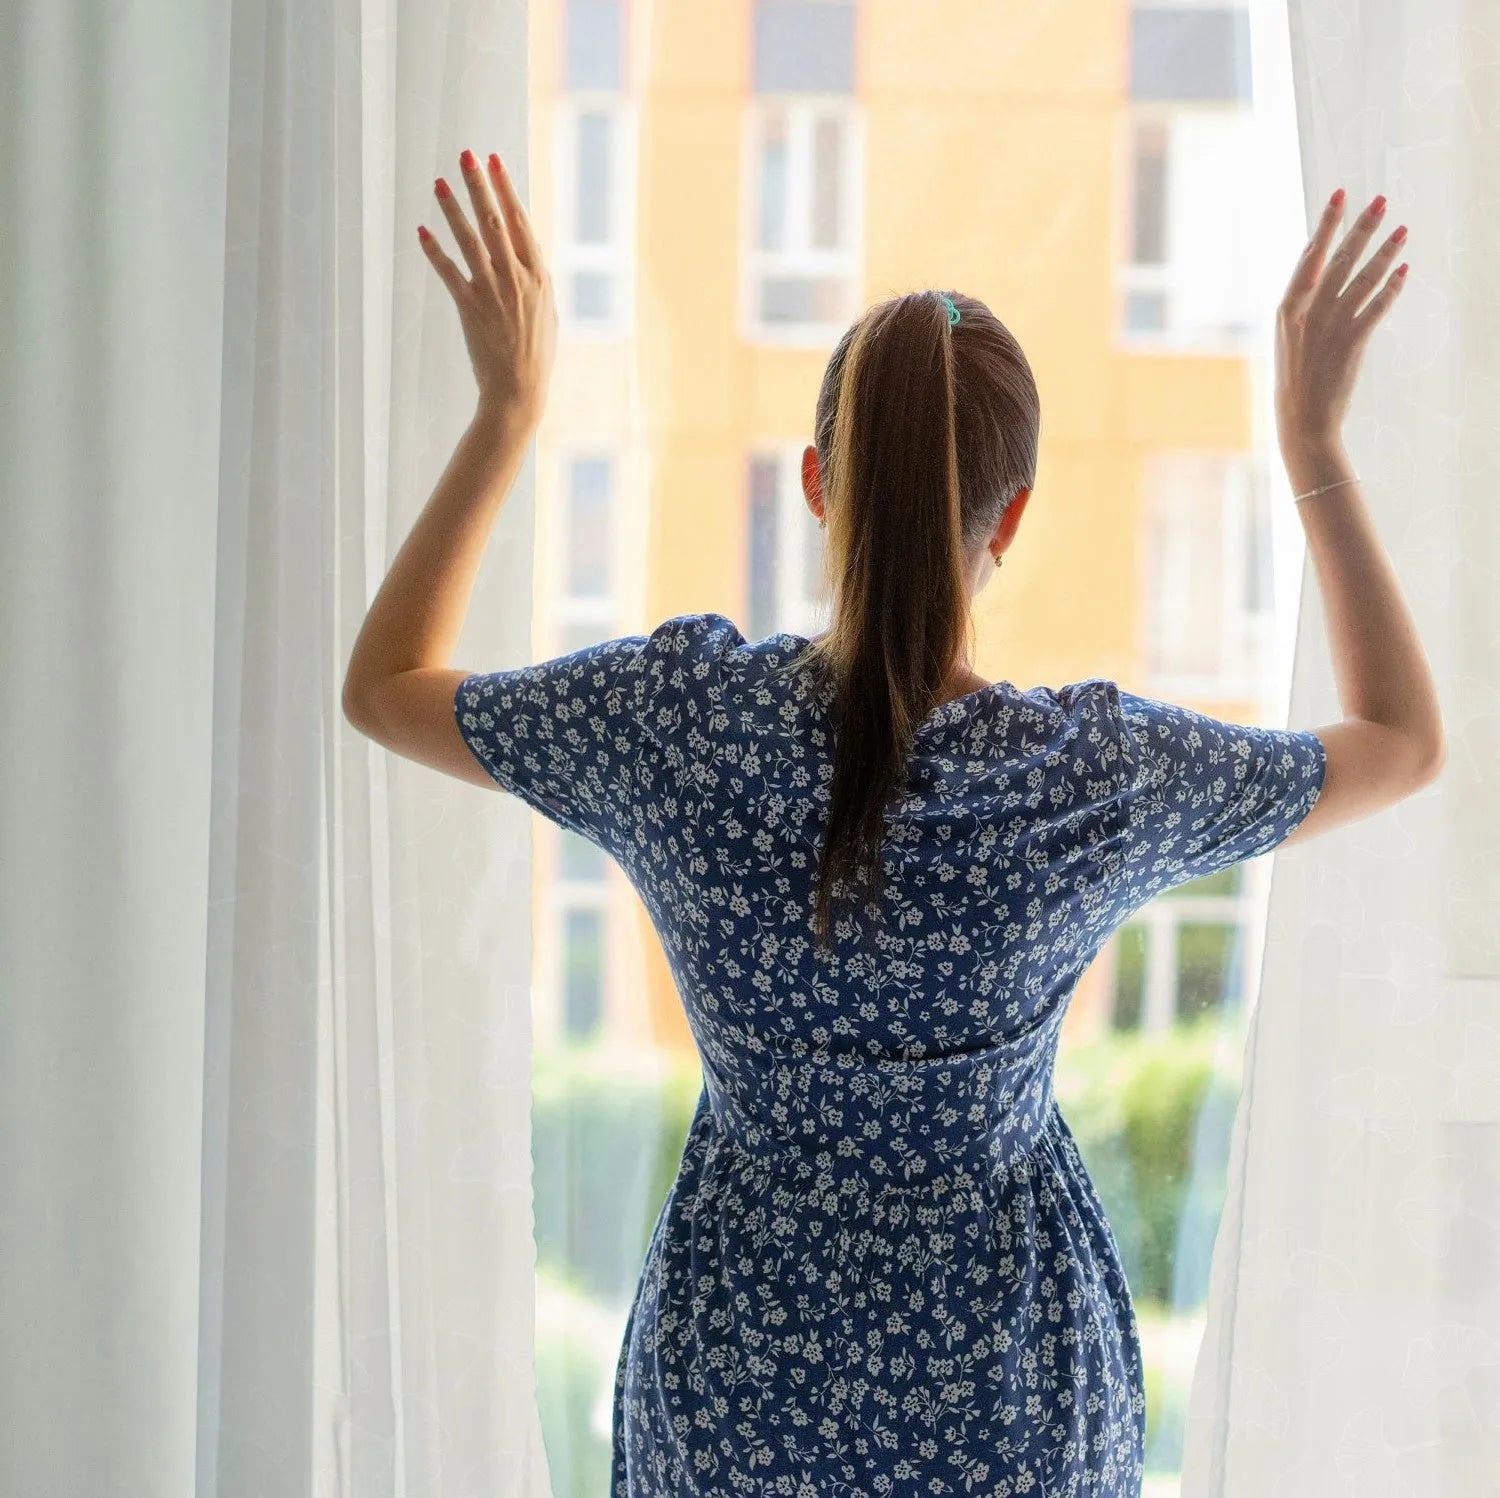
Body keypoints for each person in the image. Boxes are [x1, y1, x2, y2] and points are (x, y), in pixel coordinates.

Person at [342, 153, 1446, 1495]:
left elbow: (386, 687)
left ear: (818, 482)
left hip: (737, 1395)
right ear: (1011, 517)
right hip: (1008, 1406)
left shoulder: (681, 723)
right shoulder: (1083, 779)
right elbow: (1400, 739)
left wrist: (506, 413)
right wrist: (1315, 446)